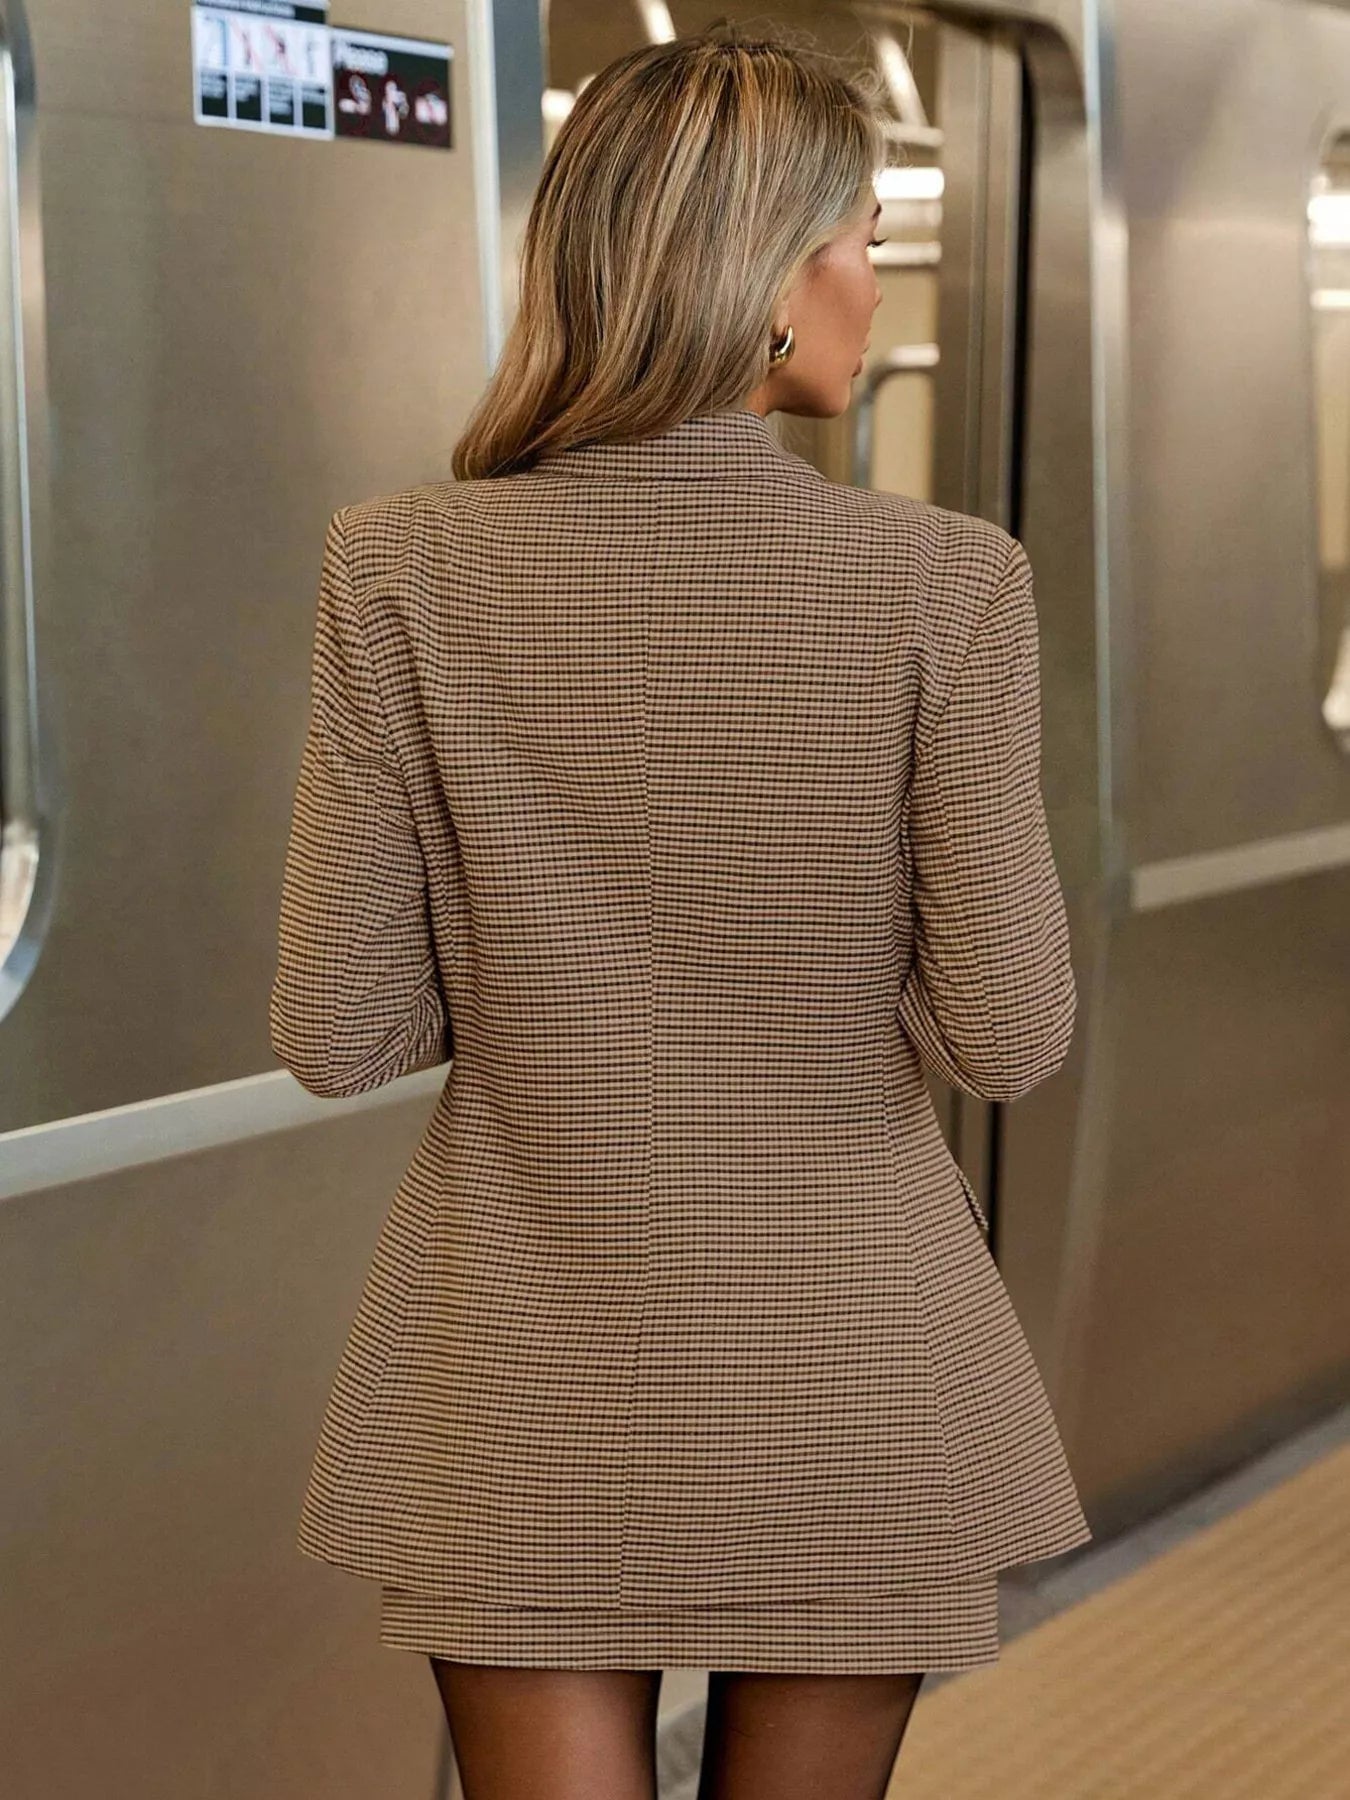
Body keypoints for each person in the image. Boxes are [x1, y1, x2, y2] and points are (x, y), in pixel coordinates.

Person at [270, 23, 1091, 1800]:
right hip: (851, 1350)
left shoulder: (395, 565)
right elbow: (1005, 1035)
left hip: (520, 1353)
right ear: (772, 277)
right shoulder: (943, 585)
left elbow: (339, 1037)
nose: (875, 283)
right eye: (866, 237)